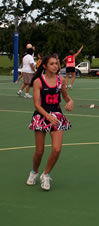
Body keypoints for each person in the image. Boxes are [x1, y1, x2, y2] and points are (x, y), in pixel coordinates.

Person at [26, 54, 73, 191]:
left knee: (57, 149)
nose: (55, 66)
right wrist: (48, 116)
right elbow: (36, 104)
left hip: (57, 116)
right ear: (45, 66)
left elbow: (66, 97)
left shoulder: (61, 80)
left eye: (56, 63)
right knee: (39, 151)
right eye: (52, 63)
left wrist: (70, 102)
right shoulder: (38, 81)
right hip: (42, 115)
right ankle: (34, 172)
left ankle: (45, 174)